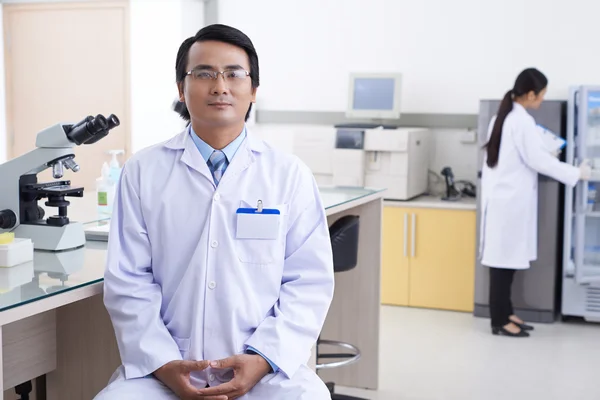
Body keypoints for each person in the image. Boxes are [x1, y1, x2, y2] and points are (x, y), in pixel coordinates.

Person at [94, 24, 335, 399]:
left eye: (234, 74)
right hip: (166, 368)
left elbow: (309, 282)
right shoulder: (143, 171)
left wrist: (262, 358)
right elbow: (128, 281)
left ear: (253, 90)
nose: (220, 86)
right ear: (180, 88)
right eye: (204, 73)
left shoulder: (288, 175)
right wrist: (164, 363)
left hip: (264, 369)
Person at [480, 68, 591, 338]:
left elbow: (527, 153)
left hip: (505, 200)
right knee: (502, 264)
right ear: (530, 94)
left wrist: (545, 151)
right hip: (509, 203)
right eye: (541, 96)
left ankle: (506, 312)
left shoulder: (505, 116)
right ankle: (499, 320)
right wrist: (576, 173)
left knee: (506, 263)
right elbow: (537, 160)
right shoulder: (520, 121)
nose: (541, 100)